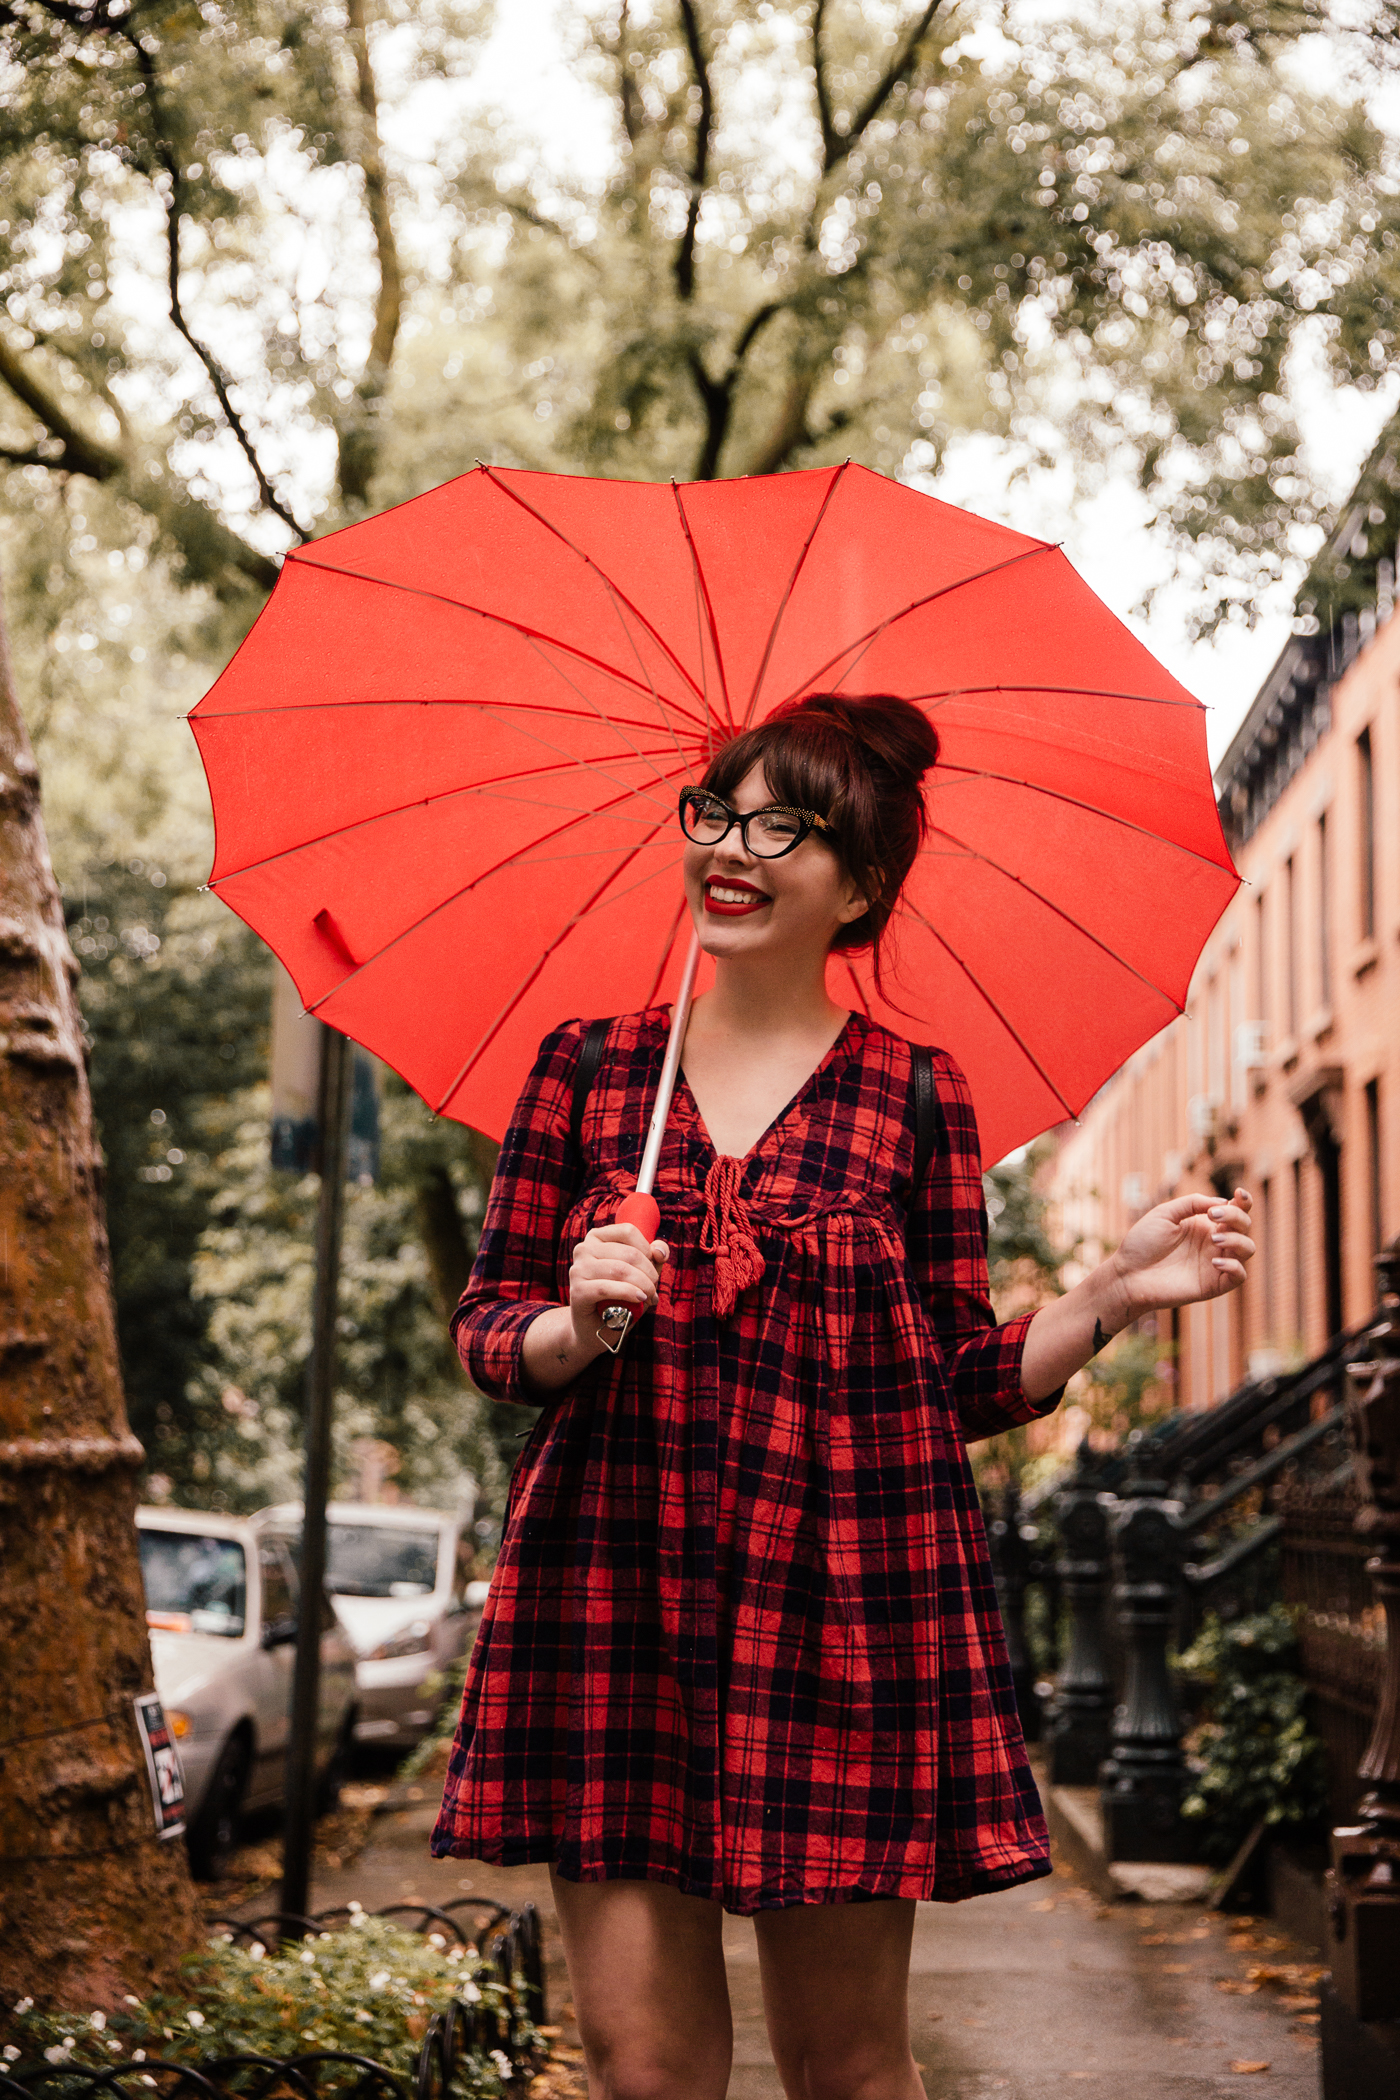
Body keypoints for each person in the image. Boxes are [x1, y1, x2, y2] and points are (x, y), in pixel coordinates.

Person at [432, 692, 1254, 2100]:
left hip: (844, 1614)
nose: (732, 849)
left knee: (851, 2072)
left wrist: (1112, 1292)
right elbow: (487, 1330)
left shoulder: (914, 1093)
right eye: (717, 813)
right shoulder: (585, 1070)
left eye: (783, 826)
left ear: (860, 883)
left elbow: (954, 1376)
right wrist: (574, 1321)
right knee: (641, 2069)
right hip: (614, 1593)